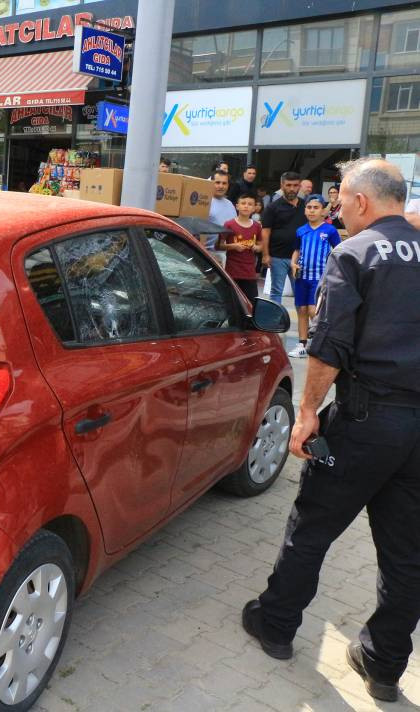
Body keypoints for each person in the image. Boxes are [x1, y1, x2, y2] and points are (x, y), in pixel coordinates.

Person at [243, 158, 420, 704]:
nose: (339, 211)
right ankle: (384, 665)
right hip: (416, 429)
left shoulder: (354, 253)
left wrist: (306, 413)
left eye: (341, 201)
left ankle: (275, 624)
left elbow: (328, 345)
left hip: (365, 421)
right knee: (407, 553)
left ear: (362, 201)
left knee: (312, 526)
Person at [287, 195, 341, 358]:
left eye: (316, 208)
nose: (312, 211)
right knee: (301, 309)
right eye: (309, 207)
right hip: (302, 276)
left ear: (323, 211)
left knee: (313, 310)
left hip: (319, 278)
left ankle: (320, 342)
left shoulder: (330, 230)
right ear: (305, 210)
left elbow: (339, 250)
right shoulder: (301, 230)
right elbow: (297, 250)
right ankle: (302, 344)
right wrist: (293, 263)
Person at [261, 171, 306, 304]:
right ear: (282, 186)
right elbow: (265, 232)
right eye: (288, 185)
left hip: (299, 257)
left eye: (295, 185)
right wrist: (265, 255)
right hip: (277, 256)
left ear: (299, 186)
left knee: (300, 292)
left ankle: (302, 318)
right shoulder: (272, 207)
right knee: (276, 291)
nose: (292, 189)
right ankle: (274, 318)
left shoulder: (306, 206)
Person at [217, 192, 262, 303]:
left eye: (250, 204)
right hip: (232, 272)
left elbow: (261, 246)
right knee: (233, 302)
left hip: (249, 273)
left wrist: (256, 247)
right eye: (243, 203)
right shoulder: (229, 224)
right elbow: (218, 246)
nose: (246, 206)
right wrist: (233, 246)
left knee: (251, 303)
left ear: (254, 208)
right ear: (237, 206)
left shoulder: (257, 226)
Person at [205, 170, 238, 266]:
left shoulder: (230, 204)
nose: (221, 186)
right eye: (217, 182)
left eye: (224, 183)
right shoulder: (204, 202)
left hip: (227, 254)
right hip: (206, 254)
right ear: (211, 183)